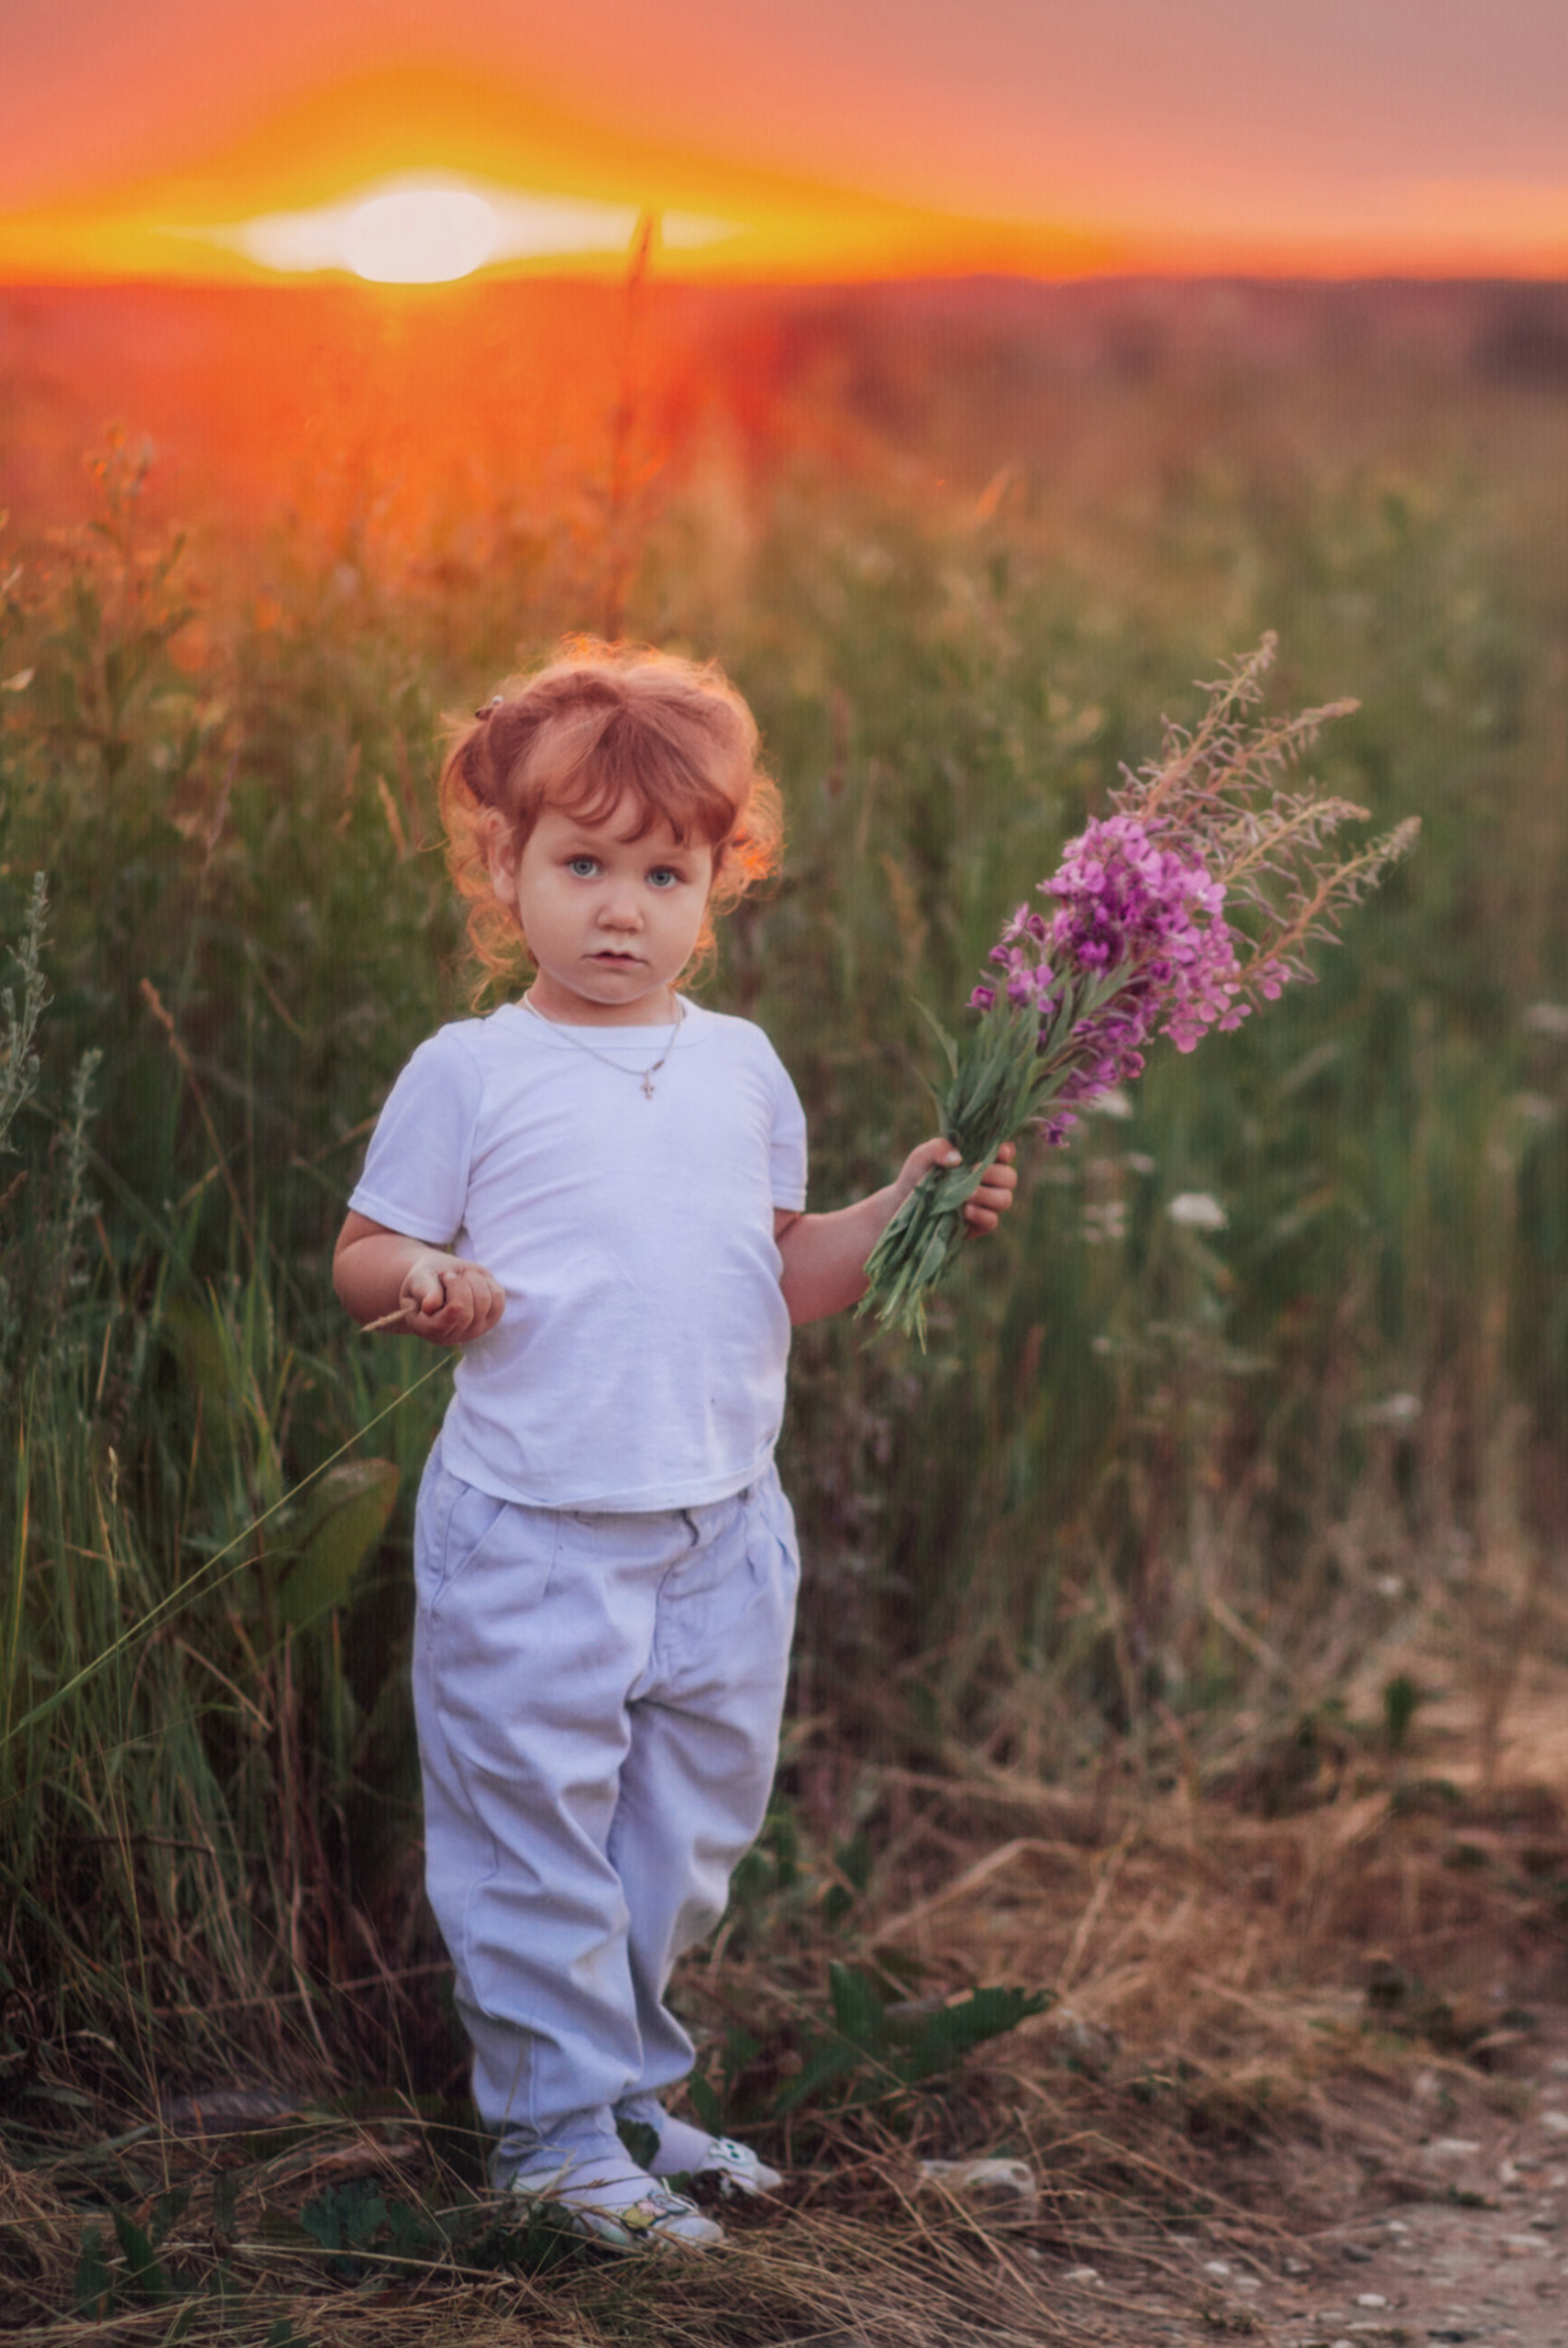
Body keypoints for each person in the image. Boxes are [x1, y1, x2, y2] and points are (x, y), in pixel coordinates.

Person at [332, 643, 1016, 2252]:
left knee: (683, 1833)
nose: (621, 909)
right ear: (506, 870)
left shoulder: (740, 1067)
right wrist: (420, 1281)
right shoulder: (474, 1069)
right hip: (535, 1526)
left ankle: (628, 2084)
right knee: (532, 1834)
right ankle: (552, 2138)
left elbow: (779, 1272)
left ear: (725, 878)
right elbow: (364, 1253)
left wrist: (902, 1211)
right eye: (582, 866)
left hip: (721, 1523)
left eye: (664, 870)